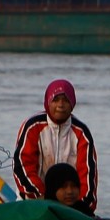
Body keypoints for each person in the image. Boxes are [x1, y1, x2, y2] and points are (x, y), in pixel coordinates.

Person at [14, 79, 98, 210]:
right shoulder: (32, 126)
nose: (61, 105)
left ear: (72, 103)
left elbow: (88, 174)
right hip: (34, 201)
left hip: (70, 205)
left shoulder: (82, 132)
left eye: (65, 100)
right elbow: (23, 165)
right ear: (48, 102)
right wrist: (39, 195)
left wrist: (83, 207)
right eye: (56, 100)